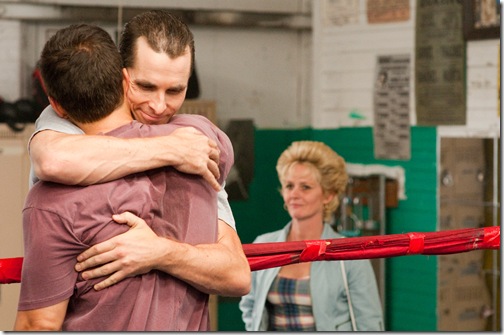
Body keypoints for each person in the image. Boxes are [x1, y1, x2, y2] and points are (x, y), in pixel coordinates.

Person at [15, 23, 234, 331]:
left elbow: (235, 273)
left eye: (174, 90)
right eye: (146, 87)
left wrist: (161, 252)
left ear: (57, 104)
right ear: (124, 77)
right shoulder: (201, 140)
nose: (159, 106)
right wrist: (170, 148)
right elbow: (51, 160)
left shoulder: (196, 145)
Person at [239, 141, 384, 331]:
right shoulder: (264, 245)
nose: (294, 194)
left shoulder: (350, 255)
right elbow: (250, 306)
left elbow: (369, 322)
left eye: (305, 187)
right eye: (289, 186)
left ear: (328, 195)